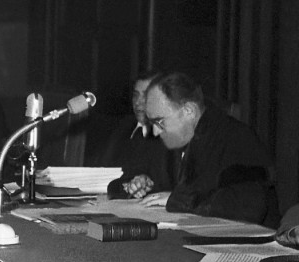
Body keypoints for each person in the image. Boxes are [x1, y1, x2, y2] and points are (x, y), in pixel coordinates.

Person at [120, 71, 278, 225]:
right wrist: (146, 185)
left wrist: (178, 201)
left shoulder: (236, 138)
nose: (155, 131)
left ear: (189, 111)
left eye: (159, 122)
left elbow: (248, 206)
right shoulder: (175, 140)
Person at [101, 70, 168, 197]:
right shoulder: (122, 128)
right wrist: (127, 186)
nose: (138, 102)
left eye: (146, 96)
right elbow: (105, 171)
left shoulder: (172, 136)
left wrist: (147, 184)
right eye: (135, 95)